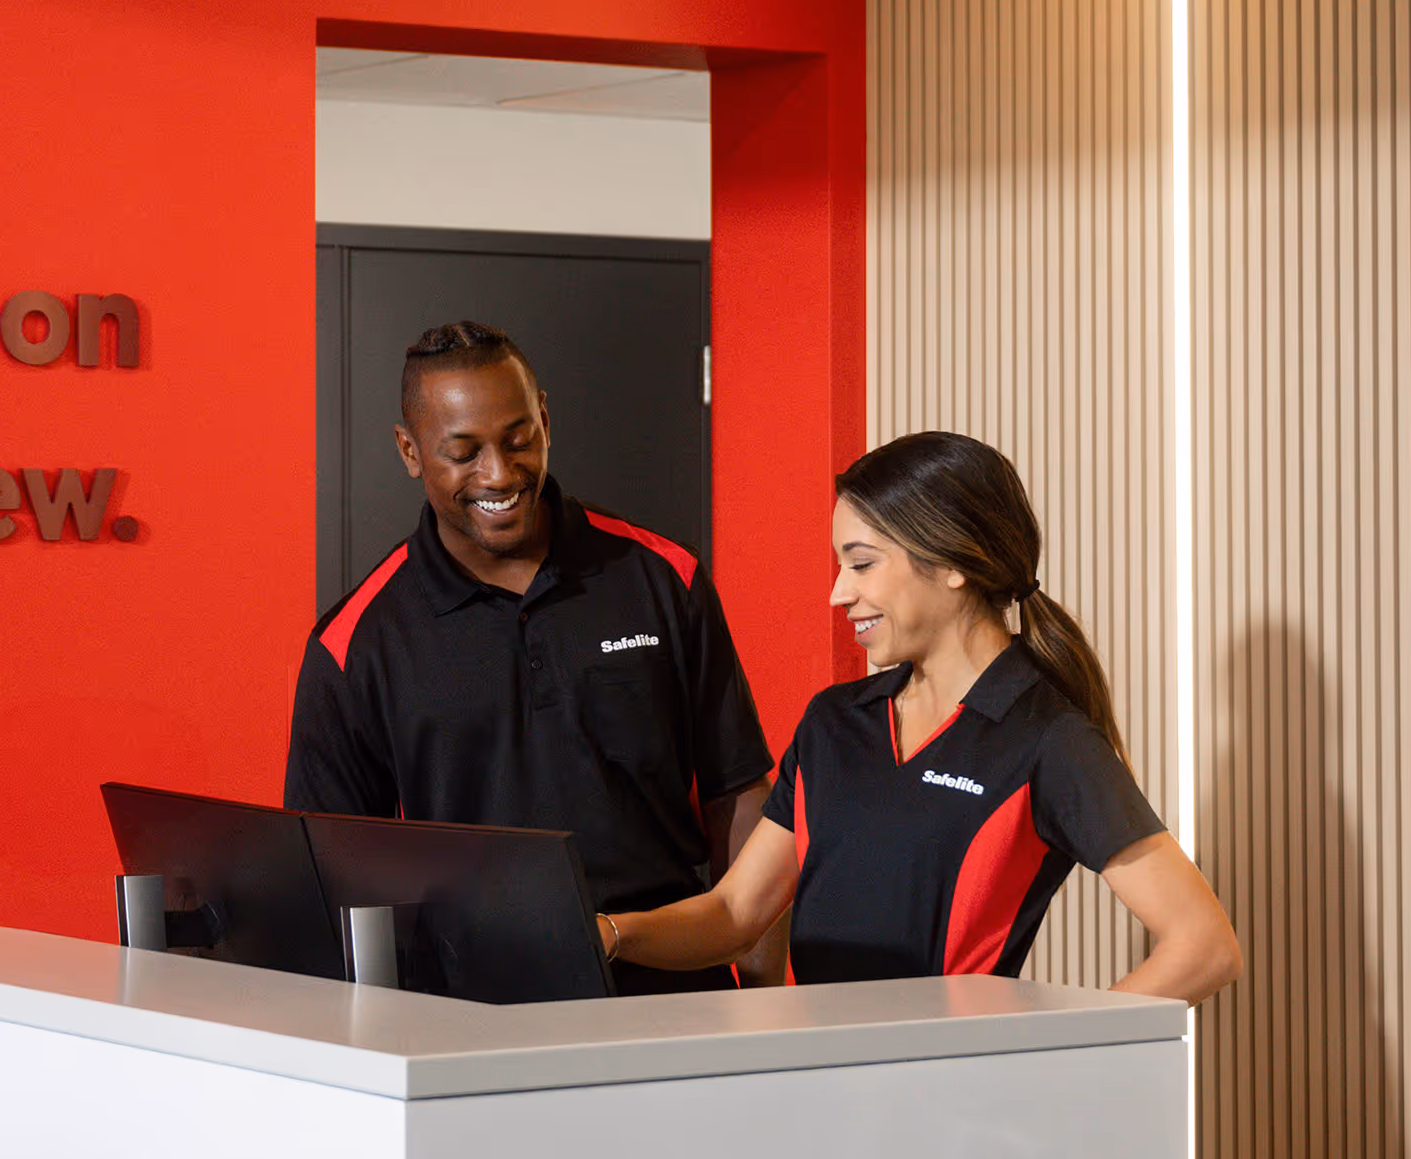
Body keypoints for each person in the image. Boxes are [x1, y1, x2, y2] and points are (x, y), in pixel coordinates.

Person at [601, 430, 1241, 1002]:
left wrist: (1054, 1056)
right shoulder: (833, 724)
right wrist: (606, 934)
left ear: (953, 562)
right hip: (817, 1086)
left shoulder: (1047, 738)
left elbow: (1204, 947)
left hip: (944, 1105)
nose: (838, 592)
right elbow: (736, 914)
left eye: (861, 563)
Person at [288, 319, 779, 992]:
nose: (499, 472)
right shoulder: (354, 641)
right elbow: (330, 871)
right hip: (461, 1013)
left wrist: (758, 1000)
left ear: (544, 417)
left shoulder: (663, 577)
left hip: (665, 992)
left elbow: (739, 789)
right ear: (409, 451)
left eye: (518, 438)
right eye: (463, 452)